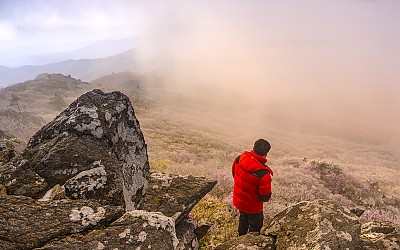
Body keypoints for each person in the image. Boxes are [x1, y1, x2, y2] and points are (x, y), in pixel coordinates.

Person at [231, 138, 273, 236]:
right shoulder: (263, 174)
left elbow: (234, 174)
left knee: (243, 220)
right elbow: (265, 197)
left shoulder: (240, 158)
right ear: (266, 153)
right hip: (253, 207)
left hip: (240, 201)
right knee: (255, 227)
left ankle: (239, 240)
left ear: (253, 148)